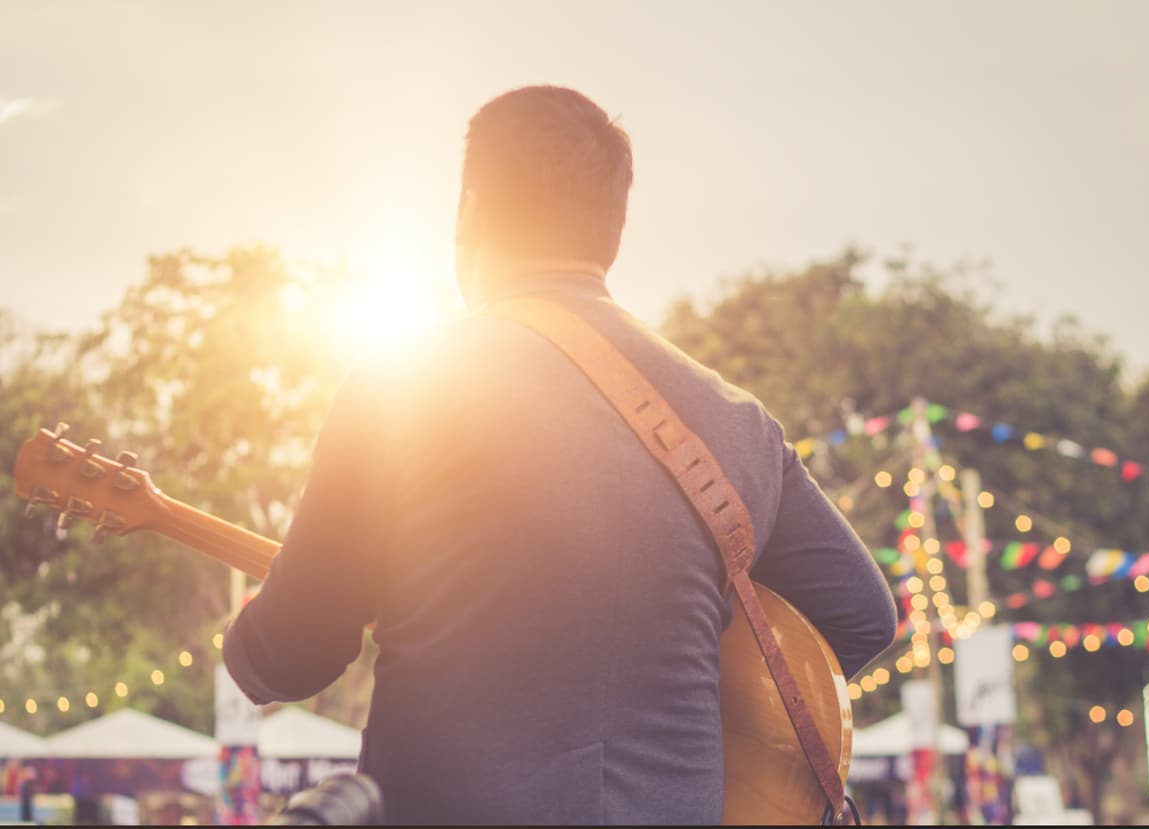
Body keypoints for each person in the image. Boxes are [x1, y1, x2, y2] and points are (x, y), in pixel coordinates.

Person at [223, 85, 897, 824]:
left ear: (470, 209)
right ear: (612, 227)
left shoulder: (403, 381)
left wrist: (250, 635)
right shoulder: (738, 423)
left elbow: (292, 655)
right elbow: (862, 617)